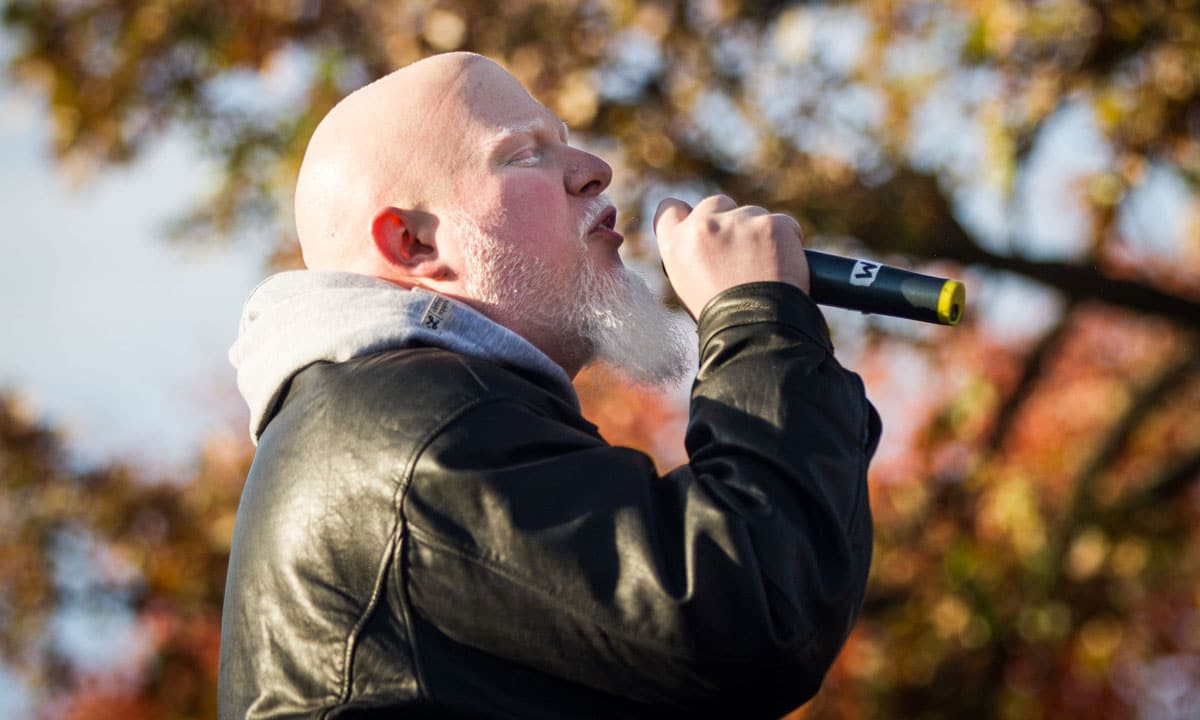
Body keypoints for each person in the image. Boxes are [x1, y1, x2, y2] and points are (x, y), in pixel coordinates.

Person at [219, 51, 881, 719]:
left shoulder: (405, 420)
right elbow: (753, 611)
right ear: (414, 243)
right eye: (525, 154)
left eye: (565, 142)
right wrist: (758, 320)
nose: (594, 171)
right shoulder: (416, 434)